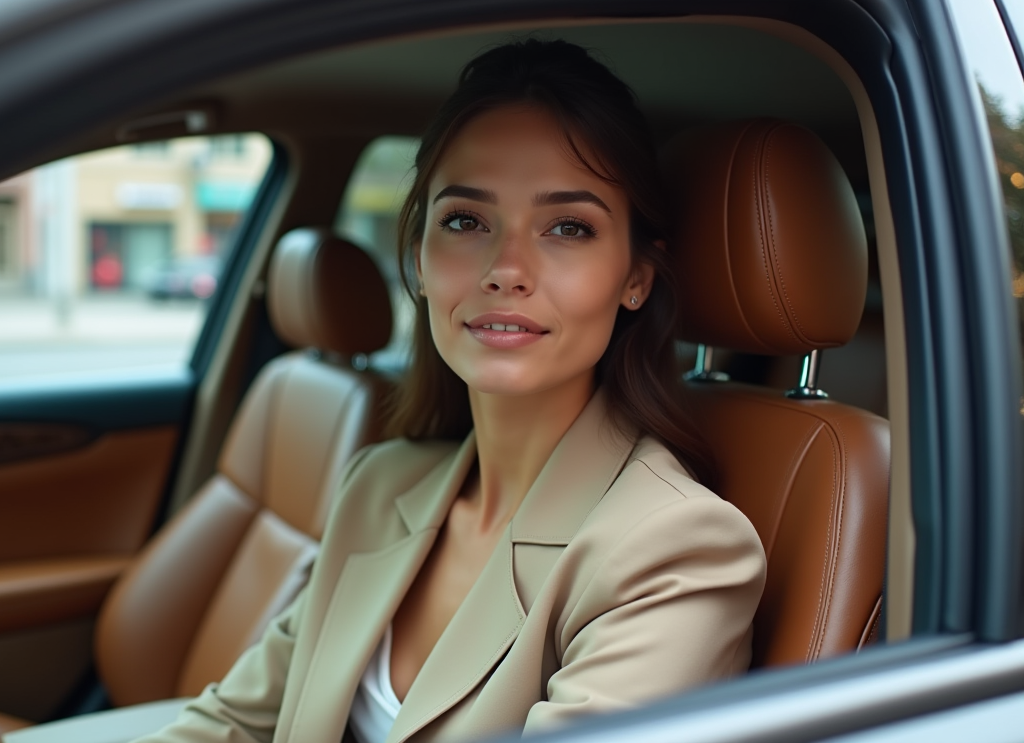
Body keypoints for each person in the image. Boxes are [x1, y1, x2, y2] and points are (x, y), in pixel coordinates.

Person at [133, 39, 765, 743]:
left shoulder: (675, 549)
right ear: (420, 261)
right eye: (466, 221)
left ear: (636, 278)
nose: (507, 268)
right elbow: (236, 721)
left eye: (568, 227)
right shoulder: (378, 486)